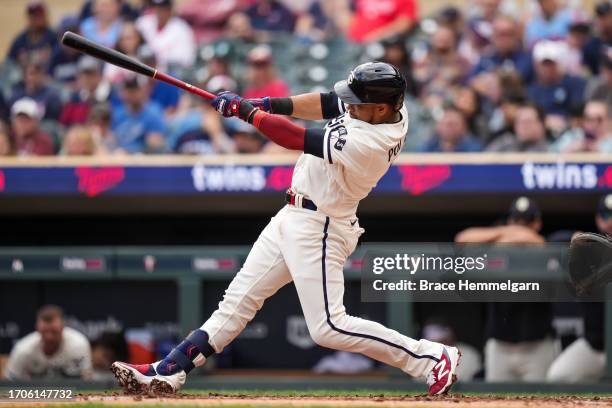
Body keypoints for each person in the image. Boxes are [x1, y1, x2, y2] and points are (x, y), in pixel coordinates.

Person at [110, 61, 460, 396]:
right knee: (237, 302)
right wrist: (263, 103)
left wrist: (247, 114)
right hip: (293, 215)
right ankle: (170, 369)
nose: (348, 106)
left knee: (328, 327)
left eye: (357, 103)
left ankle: (431, 357)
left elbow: (295, 138)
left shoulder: (370, 144)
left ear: (381, 109)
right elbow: (326, 102)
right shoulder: (382, 104)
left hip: (322, 226)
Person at [456, 197, 556, 382]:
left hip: (536, 346)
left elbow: (539, 241)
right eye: (516, 221)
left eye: (526, 222)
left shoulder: (544, 247)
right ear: (509, 222)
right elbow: (462, 239)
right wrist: (506, 233)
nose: (520, 226)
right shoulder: (498, 247)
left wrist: (514, 235)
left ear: (537, 223)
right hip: (500, 346)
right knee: (496, 399)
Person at [547, 194, 612, 383]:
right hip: (594, 346)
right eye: (606, 216)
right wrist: (576, 236)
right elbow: (552, 240)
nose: (611, 221)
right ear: (597, 220)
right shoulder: (588, 249)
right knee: (558, 377)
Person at [4, 305, 92, 380]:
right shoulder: (24, 349)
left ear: (62, 326)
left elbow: (86, 378)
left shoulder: (78, 344)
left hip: (71, 394)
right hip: (34, 395)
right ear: (38, 328)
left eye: (54, 331)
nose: (49, 336)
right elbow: (9, 380)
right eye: (45, 331)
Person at [527, 40, 586, 128]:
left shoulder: (573, 83)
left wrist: (565, 122)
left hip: (568, 130)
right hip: (540, 130)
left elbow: (578, 114)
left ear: (558, 63)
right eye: (544, 64)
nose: (547, 68)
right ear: (536, 65)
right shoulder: (531, 90)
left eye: (551, 64)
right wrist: (546, 121)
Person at [469, 16, 534, 84]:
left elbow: (516, 79)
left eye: (509, 34)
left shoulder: (526, 58)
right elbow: (472, 81)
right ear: (493, 36)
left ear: (517, 35)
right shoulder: (486, 58)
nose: (505, 40)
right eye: (501, 34)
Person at [112, 77, 167, 154]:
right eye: (128, 90)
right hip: (118, 159)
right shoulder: (118, 113)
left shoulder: (153, 113)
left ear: (143, 90)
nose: (131, 94)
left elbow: (156, 145)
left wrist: (129, 152)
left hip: (142, 161)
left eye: (135, 90)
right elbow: (111, 139)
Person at [136, 0, 196, 70]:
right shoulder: (143, 23)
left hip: (170, 73)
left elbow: (187, 59)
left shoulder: (182, 29)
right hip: (144, 71)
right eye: (157, 8)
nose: (160, 12)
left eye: (163, 9)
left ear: (170, 9)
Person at [60, 56, 119, 127]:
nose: (86, 78)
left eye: (90, 74)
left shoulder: (112, 95)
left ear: (100, 75)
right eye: (83, 74)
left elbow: (116, 123)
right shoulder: (75, 97)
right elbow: (64, 124)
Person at [9, 56, 63, 121]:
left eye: (38, 73)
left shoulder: (51, 95)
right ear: (25, 75)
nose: (34, 77)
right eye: (31, 73)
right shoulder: (16, 95)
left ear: (42, 74)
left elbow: (53, 120)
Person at [6, 1, 57, 67]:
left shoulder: (53, 37)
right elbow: (9, 63)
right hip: (24, 76)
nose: (35, 19)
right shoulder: (20, 40)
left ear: (45, 16)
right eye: (33, 16)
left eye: (39, 15)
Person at [346, 0, 418, 43]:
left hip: (382, 45)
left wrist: (376, 36)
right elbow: (352, 15)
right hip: (354, 43)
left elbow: (405, 24)